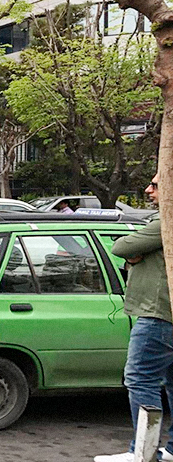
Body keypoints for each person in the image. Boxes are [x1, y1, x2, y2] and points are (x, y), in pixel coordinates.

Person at [95, 173, 173, 462]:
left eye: (156, 185)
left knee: (139, 378)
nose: (148, 190)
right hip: (166, 310)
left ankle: (142, 451)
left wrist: (132, 254)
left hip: (157, 312)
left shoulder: (164, 221)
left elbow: (121, 247)